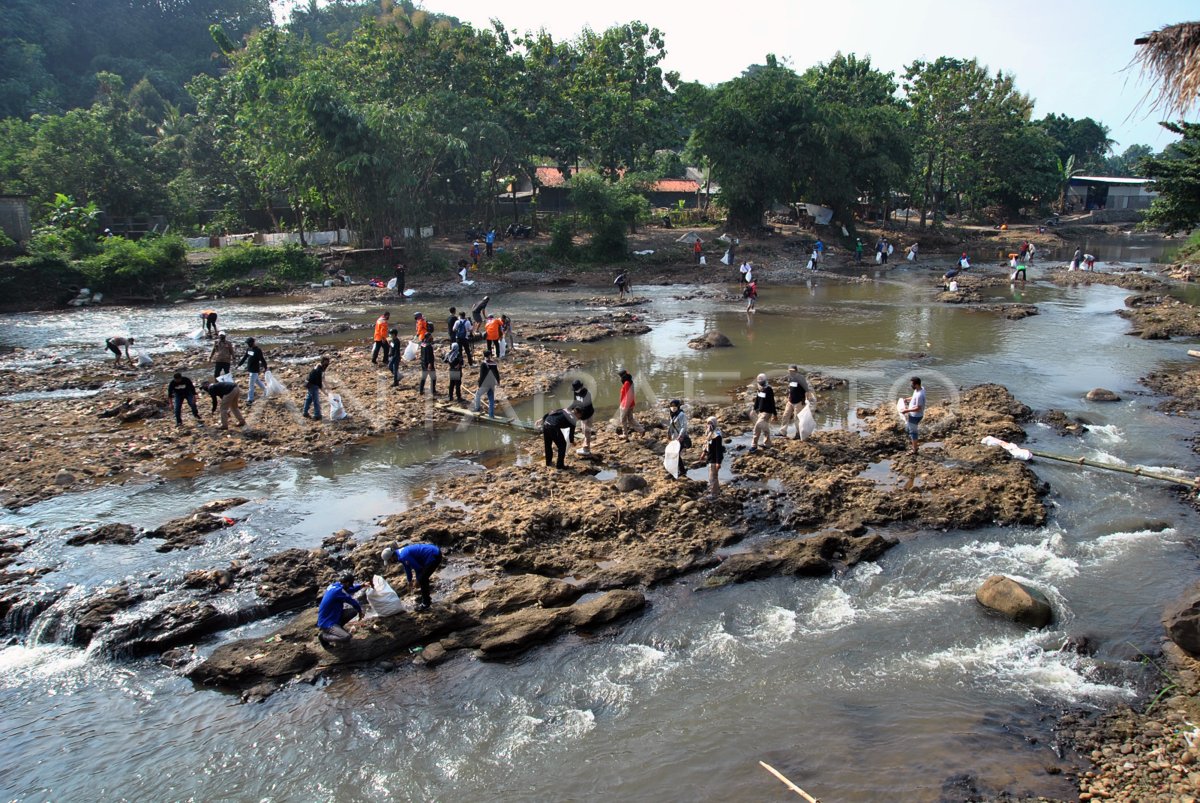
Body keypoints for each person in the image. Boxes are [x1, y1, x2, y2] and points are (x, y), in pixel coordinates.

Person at [382, 543, 443, 610]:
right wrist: (409, 580)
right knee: (423, 578)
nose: (391, 562)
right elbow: (407, 567)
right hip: (431, 552)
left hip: (434, 555)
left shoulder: (403, 556)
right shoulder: (400, 554)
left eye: (390, 560)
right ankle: (427, 598)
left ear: (392, 557)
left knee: (422, 579)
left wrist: (417, 580)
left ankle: (426, 604)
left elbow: (418, 568)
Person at [316, 574, 363, 644]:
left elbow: (349, 590)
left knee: (353, 611)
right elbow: (353, 602)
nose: (350, 586)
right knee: (346, 637)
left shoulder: (334, 585)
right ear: (347, 583)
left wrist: (362, 586)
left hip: (331, 616)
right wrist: (360, 612)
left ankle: (338, 628)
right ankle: (323, 637)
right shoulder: (339, 591)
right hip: (327, 623)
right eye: (350, 584)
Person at [778, 365, 816, 439]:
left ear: (796, 371)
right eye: (790, 370)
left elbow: (807, 390)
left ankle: (798, 434)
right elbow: (791, 388)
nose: (791, 372)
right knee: (785, 416)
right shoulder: (790, 378)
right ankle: (782, 432)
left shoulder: (801, 378)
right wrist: (789, 395)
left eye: (793, 371)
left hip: (798, 402)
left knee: (797, 418)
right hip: (790, 401)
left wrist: (806, 400)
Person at [568, 379, 596, 455]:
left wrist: (577, 415)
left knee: (587, 432)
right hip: (581, 415)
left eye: (576, 389)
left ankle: (586, 450)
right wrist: (569, 409)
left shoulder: (587, 394)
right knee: (583, 431)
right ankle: (585, 447)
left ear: (581, 387)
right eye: (575, 389)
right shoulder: (576, 392)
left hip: (588, 415)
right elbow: (575, 402)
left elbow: (586, 408)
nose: (576, 391)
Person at [750, 373, 776, 452]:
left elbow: (772, 402)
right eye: (759, 381)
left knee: (757, 426)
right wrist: (754, 409)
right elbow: (757, 399)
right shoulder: (759, 388)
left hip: (767, 412)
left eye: (761, 381)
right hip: (760, 412)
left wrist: (775, 414)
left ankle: (754, 445)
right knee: (765, 428)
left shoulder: (768, 389)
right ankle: (767, 444)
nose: (760, 383)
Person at [238, 337, 268, 404]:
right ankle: (266, 390)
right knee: (257, 381)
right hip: (250, 369)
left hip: (254, 370)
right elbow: (245, 357)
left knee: (251, 385)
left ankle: (250, 399)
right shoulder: (249, 349)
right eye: (248, 343)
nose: (248, 344)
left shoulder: (258, 350)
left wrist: (265, 367)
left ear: (253, 342)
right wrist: (239, 364)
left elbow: (262, 359)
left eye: (249, 343)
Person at [616, 368, 644, 440]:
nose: (620, 378)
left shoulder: (626, 383)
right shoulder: (630, 382)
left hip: (626, 405)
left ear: (623, 377)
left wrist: (625, 407)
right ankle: (641, 430)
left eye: (620, 376)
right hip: (630, 404)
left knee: (623, 420)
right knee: (631, 419)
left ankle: (625, 435)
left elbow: (628, 395)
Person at [901, 376, 925, 456]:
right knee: (909, 429)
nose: (911, 385)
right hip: (913, 415)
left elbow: (918, 408)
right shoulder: (918, 389)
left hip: (916, 416)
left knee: (913, 433)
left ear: (916, 384)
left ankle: (915, 450)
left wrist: (906, 410)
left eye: (912, 384)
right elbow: (914, 398)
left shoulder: (920, 395)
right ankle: (914, 442)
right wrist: (906, 399)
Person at [666, 399, 690, 475]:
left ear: (678, 406)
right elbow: (671, 425)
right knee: (674, 454)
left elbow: (684, 426)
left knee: (675, 454)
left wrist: (680, 436)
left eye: (675, 406)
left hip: (681, 438)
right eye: (671, 406)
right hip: (674, 438)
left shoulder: (681, 415)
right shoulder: (671, 414)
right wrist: (669, 434)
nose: (673, 408)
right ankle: (679, 470)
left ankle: (678, 471)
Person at [703, 417, 725, 500]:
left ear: (714, 423)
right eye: (708, 423)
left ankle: (714, 494)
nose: (709, 425)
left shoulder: (717, 435)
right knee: (714, 476)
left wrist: (718, 462)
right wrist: (704, 453)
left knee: (712, 477)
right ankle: (716, 490)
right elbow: (707, 444)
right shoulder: (710, 433)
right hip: (710, 457)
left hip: (715, 459)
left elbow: (718, 450)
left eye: (711, 423)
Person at [303, 356, 330, 420]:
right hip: (312, 385)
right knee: (316, 400)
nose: (326, 365)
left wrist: (328, 387)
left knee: (309, 398)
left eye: (327, 364)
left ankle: (305, 412)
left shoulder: (320, 367)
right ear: (322, 362)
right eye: (325, 364)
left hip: (308, 383)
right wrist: (326, 393)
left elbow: (323, 378)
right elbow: (320, 385)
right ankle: (317, 415)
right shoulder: (318, 370)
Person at [418, 332, 437, 396]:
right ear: (428, 337)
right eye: (430, 337)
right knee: (433, 377)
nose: (431, 338)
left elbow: (422, 353)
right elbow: (429, 356)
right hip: (429, 363)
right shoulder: (429, 346)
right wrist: (429, 364)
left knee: (423, 377)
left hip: (423, 362)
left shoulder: (423, 344)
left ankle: (421, 390)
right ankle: (433, 390)